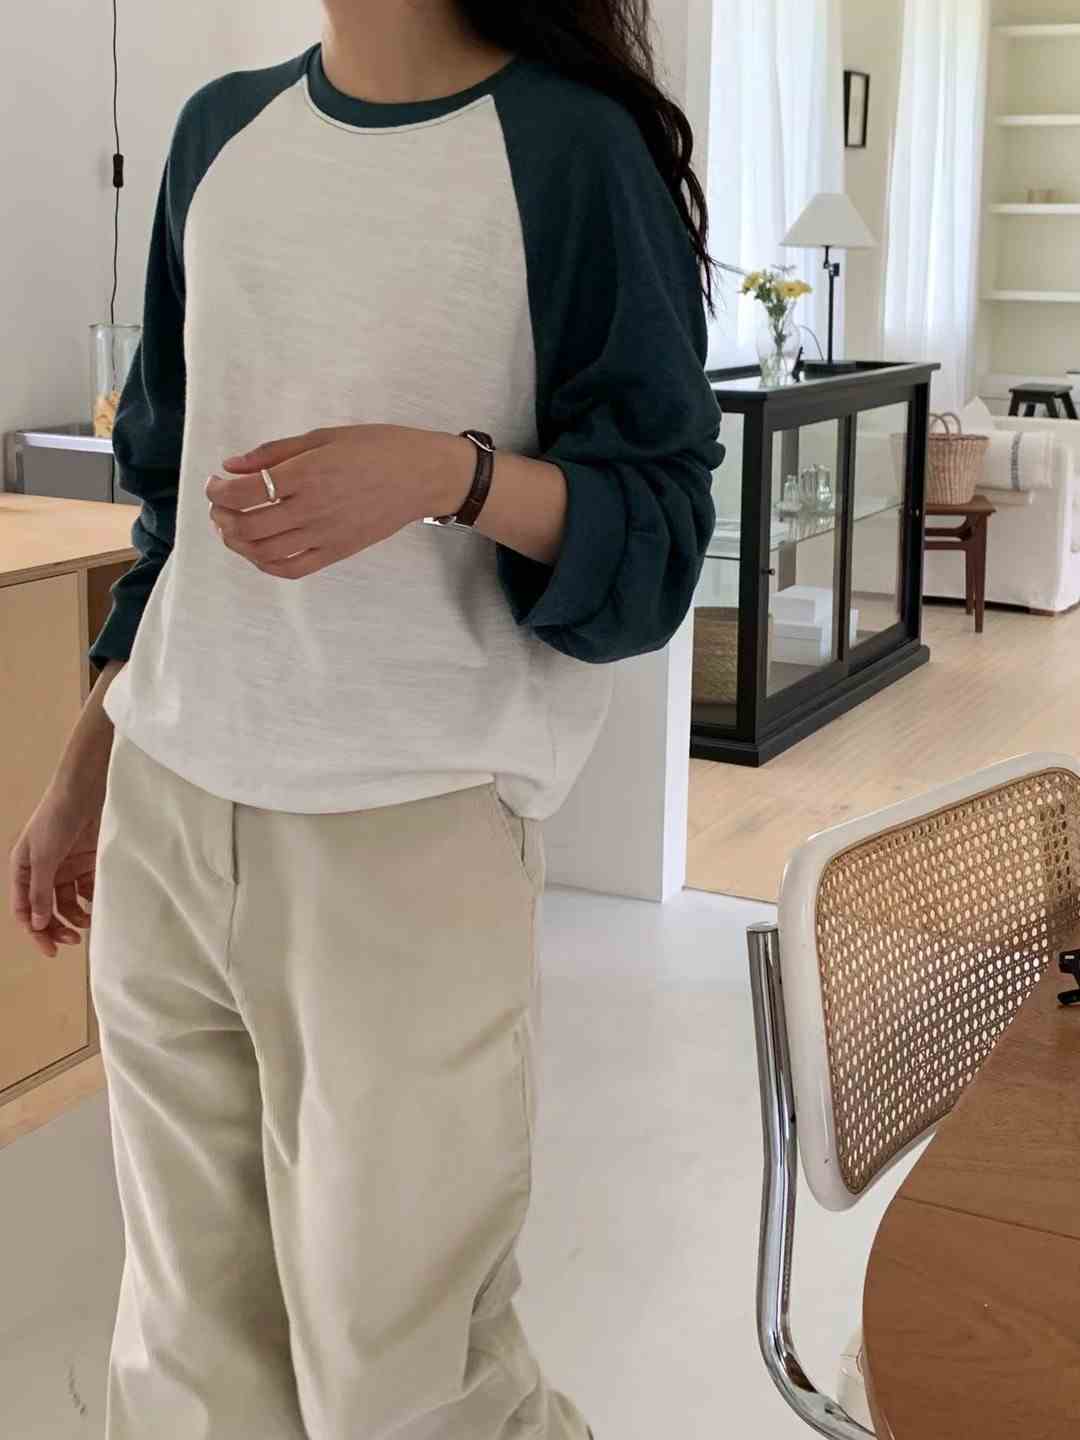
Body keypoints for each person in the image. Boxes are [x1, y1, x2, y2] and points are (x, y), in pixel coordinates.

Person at [9, 2, 722, 1436]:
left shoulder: (570, 149)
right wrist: (87, 765)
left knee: (407, 1387)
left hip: (410, 836)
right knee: (187, 1365)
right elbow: (171, 516)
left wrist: (450, 475)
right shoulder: (219, 135)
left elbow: (658, 531)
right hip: (169, 808)